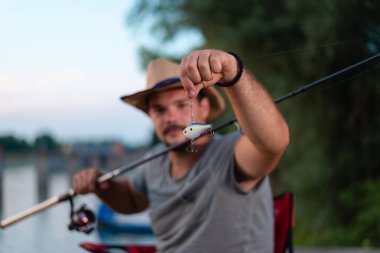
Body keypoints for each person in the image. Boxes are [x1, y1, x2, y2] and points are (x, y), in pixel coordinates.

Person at [72, 49, 289, 253]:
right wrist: (101, 186)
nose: (170, 118)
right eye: (159, 110)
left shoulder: (231, 153)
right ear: (151, 117)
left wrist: (234, 74)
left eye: (182, 105)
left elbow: (270, 144)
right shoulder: (153, 163)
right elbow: (131, 200)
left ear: (204, 108)